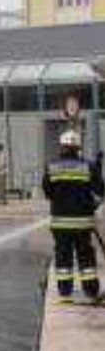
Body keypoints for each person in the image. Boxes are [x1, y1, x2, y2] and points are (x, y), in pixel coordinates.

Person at [42, 129, 104, 302]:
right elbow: (100, 191)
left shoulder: (52, 166)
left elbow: (47, 192)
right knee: (86, 257)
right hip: (83, 223)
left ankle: (65, 293)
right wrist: (94, 203)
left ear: (62, 147)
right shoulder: (89, 166)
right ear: (78, 147)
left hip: (60, 222)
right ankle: (91, 292)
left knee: (63, 256)